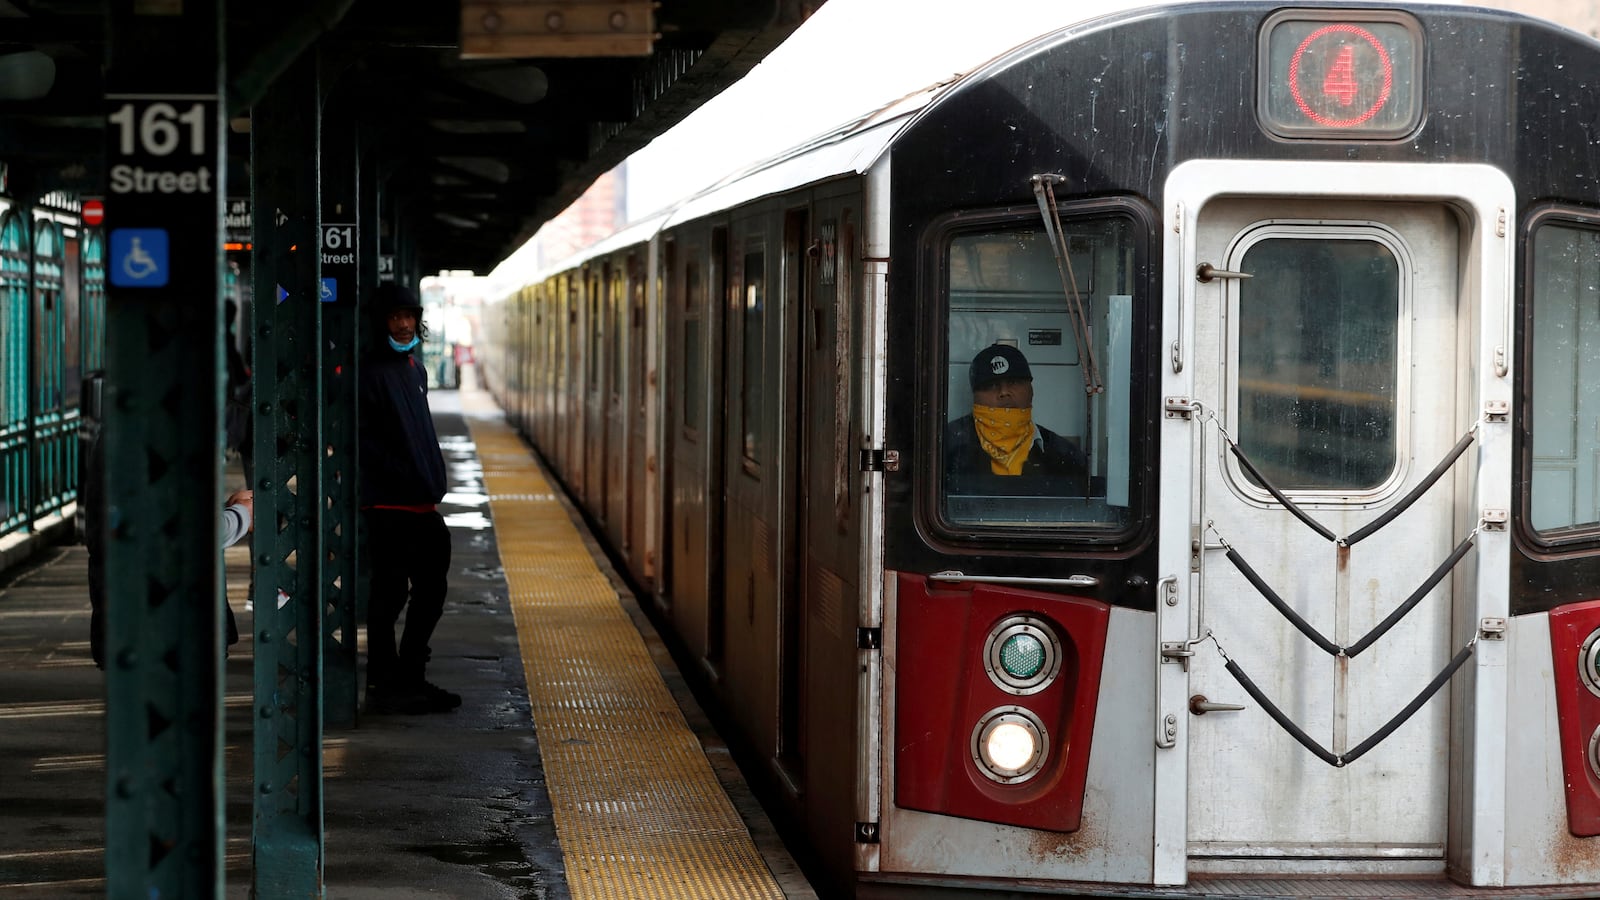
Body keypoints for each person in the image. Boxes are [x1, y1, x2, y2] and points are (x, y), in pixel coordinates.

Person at [359, 283, 460, 714]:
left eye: (409, 315)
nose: (403, 324)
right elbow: (361, 439)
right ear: (379, 321)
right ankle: (389, 682)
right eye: (394, 317)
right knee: (390, 595)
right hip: (388, 505)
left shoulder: (413, 369)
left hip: (421, 503)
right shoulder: (370, 372)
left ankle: (406, 675)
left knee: (430, 589)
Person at [944, 343, 1088, 495]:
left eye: (1013, 382)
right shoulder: (944, 447)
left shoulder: (1065, 455)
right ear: (974, 395)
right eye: (991, 385)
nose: (1004, 392)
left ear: (1031, 390)